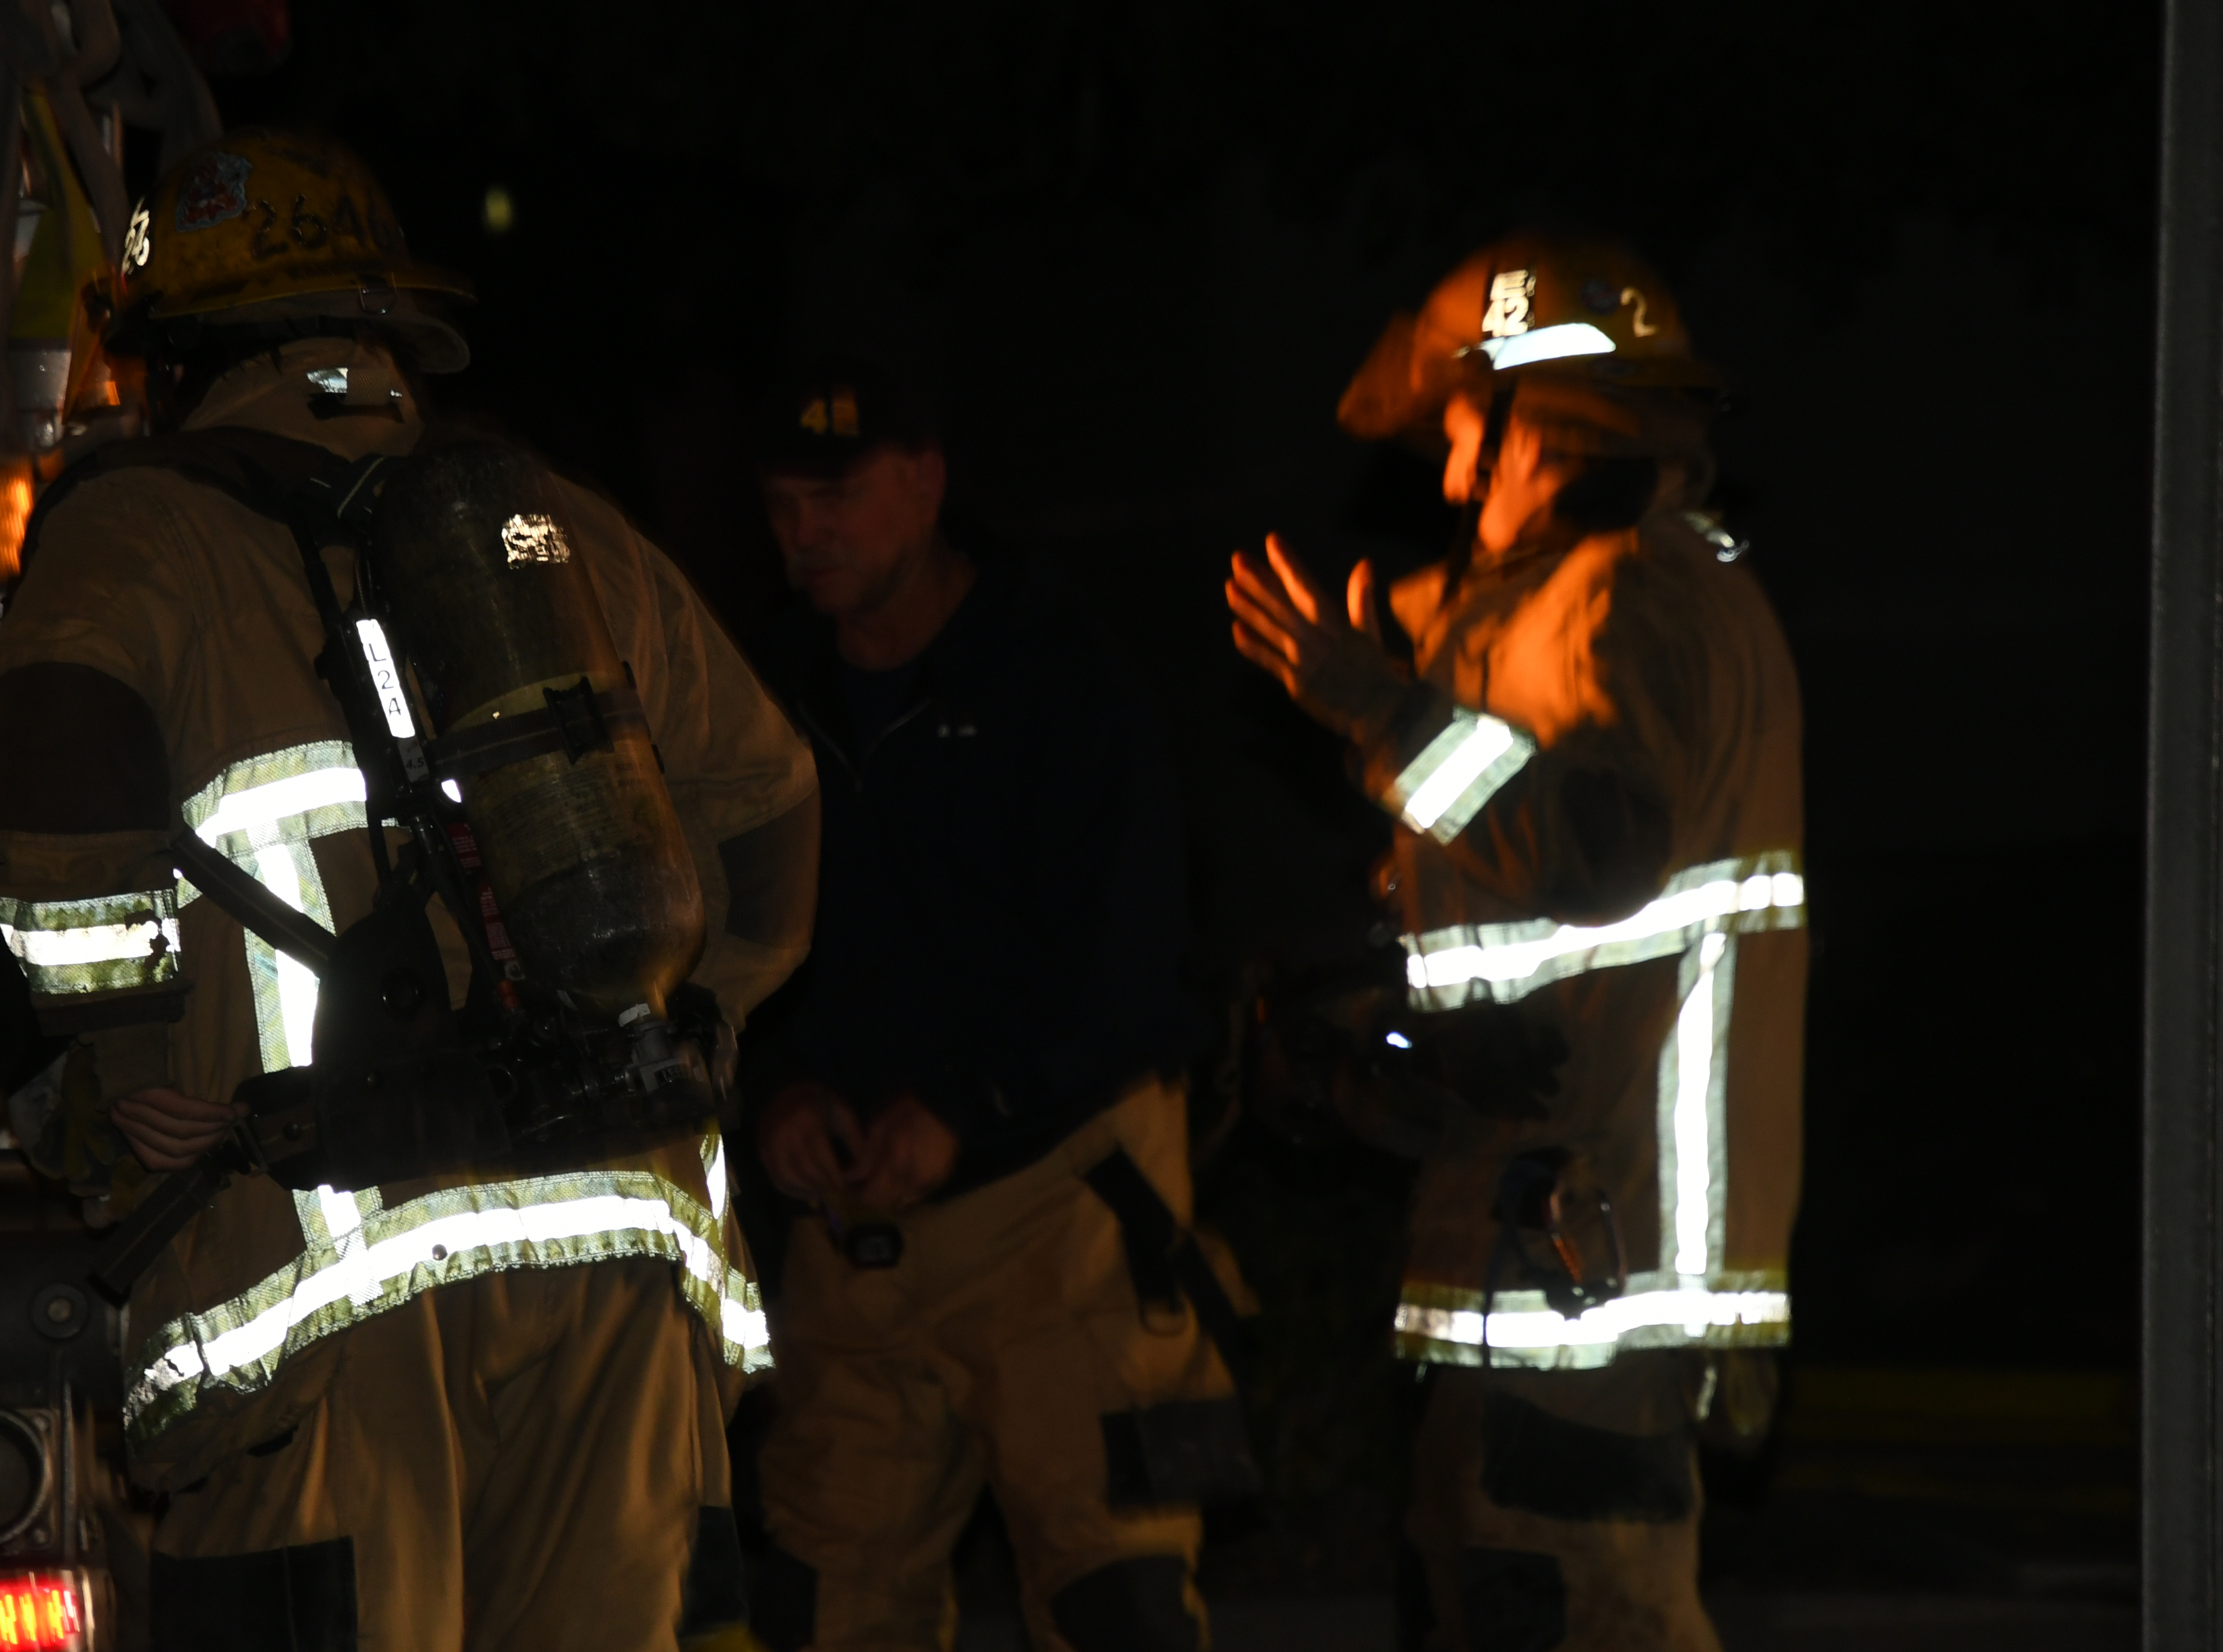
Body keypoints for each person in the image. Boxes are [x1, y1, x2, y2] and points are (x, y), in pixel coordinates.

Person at [0, 129, 820, 1651]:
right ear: (386, 326)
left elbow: (60, 844)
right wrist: (684, 1015)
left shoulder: (128, 534)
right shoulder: (562, 530)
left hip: (328, 1275)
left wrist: (124, 1074)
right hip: (624, 1232)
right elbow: (767, 810)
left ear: (177, 352)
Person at [1225, 235, 1803, 1652]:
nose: (1447, 478)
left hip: (1592, 1266)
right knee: (1506, 1590)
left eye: (1460, 434)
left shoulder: (1627, 598)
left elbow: (1595, 858)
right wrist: (1394, 1045)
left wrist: (1378, 709)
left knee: (1581, 1607)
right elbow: (1545, 922)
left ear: (1534, 426)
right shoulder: (1595, 597)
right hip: (1548, 1237)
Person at [741, 366, 1246, 1652]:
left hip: (1057, 1206)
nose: (806, 532)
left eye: (838, 496)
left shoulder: (1059, 674)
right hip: (856, 1232)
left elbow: (1135, 955)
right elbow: (731, 936)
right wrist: (779, 1089)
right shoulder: (764, 694)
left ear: (925, 484)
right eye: (784, 503)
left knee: (1116, 1597)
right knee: (825, 1605)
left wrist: (976, 1104)